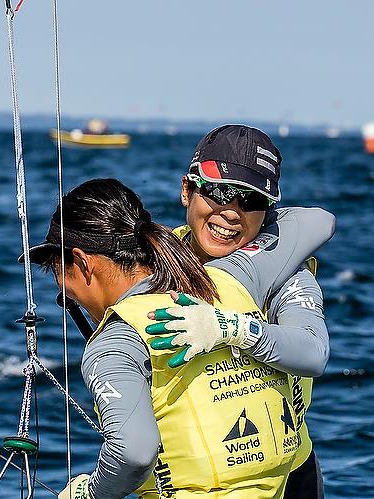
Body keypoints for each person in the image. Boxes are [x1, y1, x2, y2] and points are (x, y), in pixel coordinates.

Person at [25, 178, 327, 498]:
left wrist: (90, 493)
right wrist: (234, 328)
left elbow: (135, 453)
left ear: (83, 263)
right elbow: (314, 223)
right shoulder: (231, 278)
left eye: (57, 271)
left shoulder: (114, 344)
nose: (62, 290)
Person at [148, 124, 334, 498]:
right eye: (220, 192)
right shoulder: (154, 262)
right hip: (178, 482)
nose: (232, 212)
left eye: (251, 201)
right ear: (187, 190)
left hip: (284, 478)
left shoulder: (286, 274)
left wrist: (233, 329)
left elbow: (313, 352)